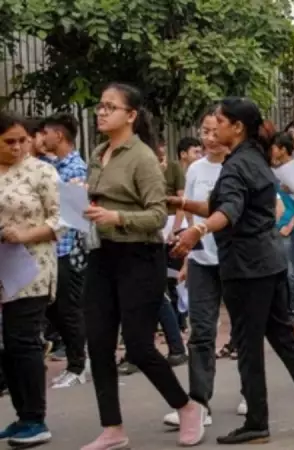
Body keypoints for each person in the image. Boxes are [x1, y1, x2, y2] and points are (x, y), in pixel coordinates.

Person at [170, 97, 294, 444]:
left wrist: (197, 230)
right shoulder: (255, 158)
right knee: (283, 337)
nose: (212, 128)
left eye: (219, 121)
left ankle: (257, 422)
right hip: (268, 261)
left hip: (247, 267)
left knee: (248, 344)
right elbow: (224, 206)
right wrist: (183, 204)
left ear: (237, 127)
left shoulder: (237, 165)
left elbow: (228, 211)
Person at [80, 83, 206, 449]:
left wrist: (117, 216)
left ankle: (186, 407)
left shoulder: (143, 158)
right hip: (101, 254)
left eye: (111, 107)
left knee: (138, 346)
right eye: (100, 106)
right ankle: (112, 428)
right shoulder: (99, 152)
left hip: (140, 256)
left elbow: (157, 215)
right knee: (99, 343)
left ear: (131, 115)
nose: (102, 112)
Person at [162, 108, 239, 429]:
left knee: (245, 331)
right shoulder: (195, 169)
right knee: (202, 333)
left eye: (215, 131)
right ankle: (199, 402)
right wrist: (188, 258)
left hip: (237, 262)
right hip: (203, 263)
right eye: (204, 132)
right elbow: (192, 214)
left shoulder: (239, 166)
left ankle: (251, 393)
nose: (209, 138)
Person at [0, 111, 61, 447]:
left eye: (22, 140)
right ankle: (23, 415)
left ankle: (36, 419)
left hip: (32, 267)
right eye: (9, 141)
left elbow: (62, 219)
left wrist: (24, 234)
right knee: (8, 344)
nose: (17, 147)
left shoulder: (42, 171)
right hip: (2, 267)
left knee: (24, 340)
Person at [37, 112, 90, 389]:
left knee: (68, 310)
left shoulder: (75, 169)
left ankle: (78, 365)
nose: (41, 138)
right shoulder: (50, 165)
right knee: (54, 310)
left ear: (59, 135)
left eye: (45, 133)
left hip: (68, 250)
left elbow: (73, 217)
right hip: (52, 250)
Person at [269, 132, 294, 322]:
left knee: (292, 270)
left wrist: (291, 225)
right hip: (274, 226)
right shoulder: (273, 171)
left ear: (283, 149)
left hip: (290, 228)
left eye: (274, 147)